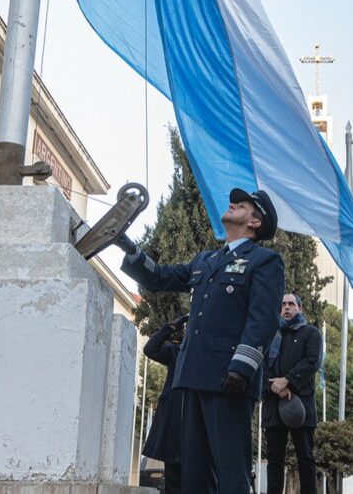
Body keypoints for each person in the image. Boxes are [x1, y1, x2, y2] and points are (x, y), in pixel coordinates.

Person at [118, 188, 285, 494]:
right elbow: (159, 277)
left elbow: (262, 320)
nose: (232, 203)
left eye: (243, 204)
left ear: (255, 222)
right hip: (192, 376)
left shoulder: (264, 261)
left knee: (230, 471)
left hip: (228, 379)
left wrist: (242, 367)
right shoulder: (205, 260)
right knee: (193, 473)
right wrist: (129, 248)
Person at [262, 293, 322, 494]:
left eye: (291, 304)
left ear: (300, 308)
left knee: (305, 457)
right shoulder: (269, 335)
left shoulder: (311, 333)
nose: (287, 308)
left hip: (301, 404)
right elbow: (261, 365)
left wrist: (287, 381)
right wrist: (275, 387)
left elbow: (312, 362)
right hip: (273, 402)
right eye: (283, 304)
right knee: (274, 459)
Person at [142, 314, 189, 493]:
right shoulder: (174, 351)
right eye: (187, 326)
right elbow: (150, 349)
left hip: (196, 420)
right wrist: (170, 328)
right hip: (173, 419)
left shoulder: (208, 352)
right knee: (173, 478)